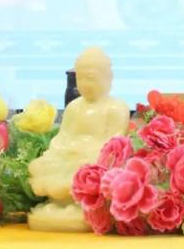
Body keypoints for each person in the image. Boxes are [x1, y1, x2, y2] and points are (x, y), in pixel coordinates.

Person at [28, 47, 129, 231]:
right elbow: (63, 136)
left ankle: (85, 205)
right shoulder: (74, 108)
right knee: (40, 164)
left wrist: (85, 149)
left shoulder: (116, 108)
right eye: (80, 78)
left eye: (90, 78)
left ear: (108, 77)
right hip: (69, 153)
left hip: (92, 157)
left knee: (87, 167)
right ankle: (59, 204)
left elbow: (115, 143)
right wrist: (62, 148)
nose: (85, 84)